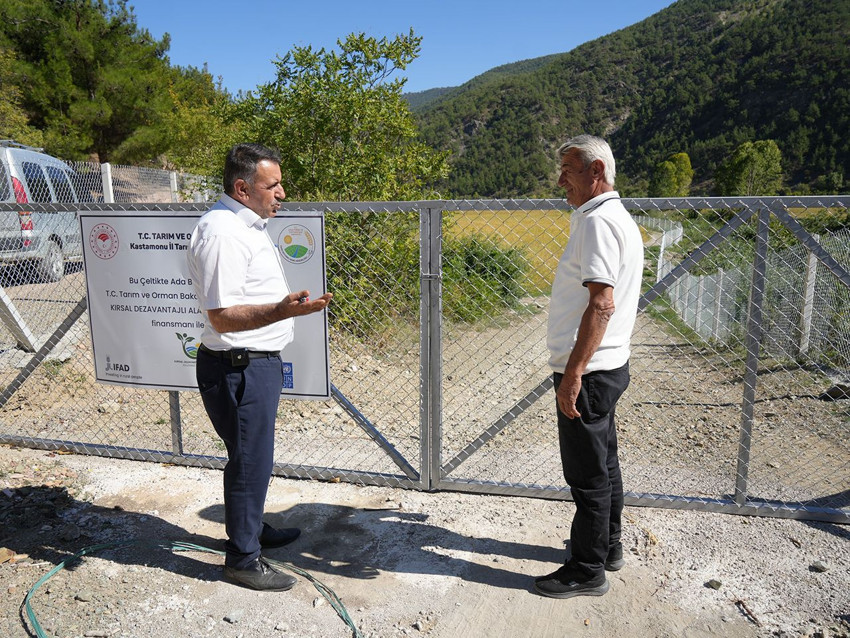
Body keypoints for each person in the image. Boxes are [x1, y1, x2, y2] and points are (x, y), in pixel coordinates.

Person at [187, 143, 332, 592]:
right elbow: (222, 316)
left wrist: (286, 312)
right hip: (238, 368)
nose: (282, 193)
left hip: (251, 365)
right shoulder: (224, 233)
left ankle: (251, 531)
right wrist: (282, 311)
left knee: (253, 459)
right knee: (250, 462)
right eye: (273, 185)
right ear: (243, 187)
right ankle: (242, 558)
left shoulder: (246, 224)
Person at [534, 135, 643, 599]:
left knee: (587, 475)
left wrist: (574, 373)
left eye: (568, 169)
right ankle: (608, 546)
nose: (560, 179)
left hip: (591, 371)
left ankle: (586, 569)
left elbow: (601, 304)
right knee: (605, 464)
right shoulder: (613, 217)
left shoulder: (598, 222)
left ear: (596, 170)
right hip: (606, 366)